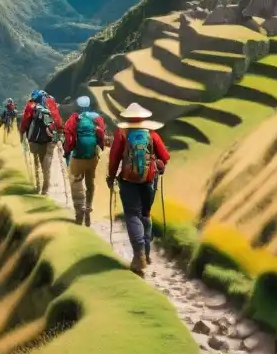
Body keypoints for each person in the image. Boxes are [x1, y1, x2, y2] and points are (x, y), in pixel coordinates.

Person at [106, 102, 170, 277]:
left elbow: (114, 158)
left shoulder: (122, 133)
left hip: (128, 180)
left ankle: (139, 254)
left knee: (132, 215)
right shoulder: (151, 134)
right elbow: (165, 156)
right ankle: (147, 254)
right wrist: (157, 163)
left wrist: (111, 177)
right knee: (145, 215)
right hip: (149, 180)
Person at [62, 95, 106, 226]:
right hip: (92, 157)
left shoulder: (74, 118)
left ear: (78, 106)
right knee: (90, 183)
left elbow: (69, 138)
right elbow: (101, 134)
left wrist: (67, 151)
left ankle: (79, 210)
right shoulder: (97, 118)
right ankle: (88, 208)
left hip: (78, 156)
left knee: (75, 182)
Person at [19, 90, 63, 195]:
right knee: (46, 164)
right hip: (49, 139)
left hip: (34, 139)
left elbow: (25, 120)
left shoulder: (31, 105)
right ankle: (45, 188)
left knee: (36, 162)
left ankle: (38, 185)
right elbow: (58, 121)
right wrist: (59, 133)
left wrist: (21, 132)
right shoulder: (51, 104)